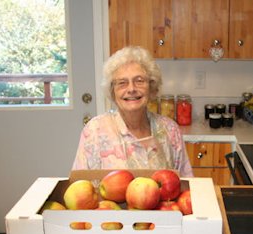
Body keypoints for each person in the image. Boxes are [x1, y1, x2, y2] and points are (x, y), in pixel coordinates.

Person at [72, 46, 193, 177]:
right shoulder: (94, 131)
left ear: (151, 86)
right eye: (122, 83)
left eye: (139, 81)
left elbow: (186, 183)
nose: (131, 89)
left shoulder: (170, 130)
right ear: (113, 91)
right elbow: (80, 184)